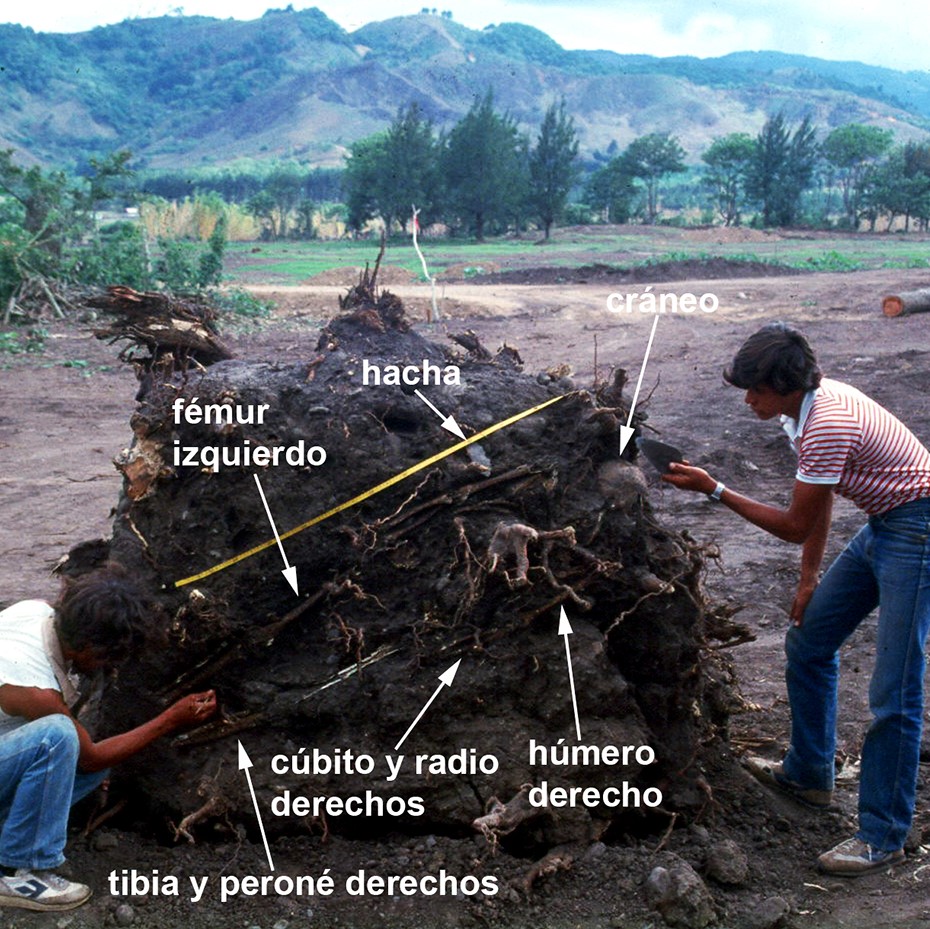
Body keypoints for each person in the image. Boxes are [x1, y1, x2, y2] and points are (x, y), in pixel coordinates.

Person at [662, 321, 930, 876]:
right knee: (809, 642)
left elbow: (792, 524)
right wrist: (809, 577)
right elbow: (822, 497)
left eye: (757, 390)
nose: (749, 400)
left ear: (786, 385)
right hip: (886, 525)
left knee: (894, 688)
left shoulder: (827, 422)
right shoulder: (801, 413)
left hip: (919, 530)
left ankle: (883, 835)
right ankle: (809, 774)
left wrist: (715, 489)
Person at [0, 566, 216, 911]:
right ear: (87, 644)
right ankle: (25, 873)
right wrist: (170, 720)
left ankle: (10, 833)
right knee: (58, 736)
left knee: (85, 762)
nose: (109, 666)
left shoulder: (35, 612)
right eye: (108, 656)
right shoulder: (35, 688)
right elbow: (91, 755)